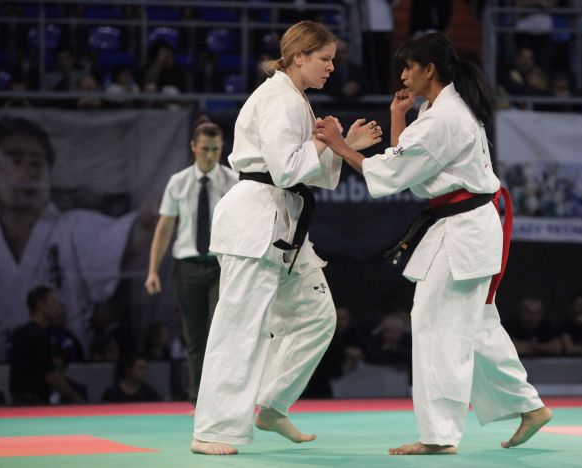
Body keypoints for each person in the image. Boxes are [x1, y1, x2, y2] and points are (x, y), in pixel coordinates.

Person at [315, 32, 552, 455]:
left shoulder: (445, 118)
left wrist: (338, 145)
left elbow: (392, 174)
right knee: (476, 324)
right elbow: (405, 159)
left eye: (409, 68)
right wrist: (398, 115)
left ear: (430, 69)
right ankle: (528, 407)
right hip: (464, 224)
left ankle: (439, 435)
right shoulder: (437, 110)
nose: (403, 76)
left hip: (464, 229)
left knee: (434, 323)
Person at [191, 21, 382, 456]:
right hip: (256, 220)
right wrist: (331, 144)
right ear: (298, 57)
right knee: (239, 328)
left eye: (333, 59)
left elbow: (310, 173)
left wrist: (342, 145)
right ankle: (212, 430)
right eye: (324, 59)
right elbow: (286, 169)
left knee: (317, 317)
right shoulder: (279, 99)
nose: (332, 67)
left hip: (285, 224)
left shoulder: (297, 99)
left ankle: (271, 405)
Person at [0, 116, 150, 360]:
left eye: (37, 163)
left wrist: (148, 221)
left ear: (50, 174)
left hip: (67, 360)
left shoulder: (75, 227)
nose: (28, 172)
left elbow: (128, 240)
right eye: (15, 161)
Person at [145, 117, 238, 404]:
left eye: (216, 149)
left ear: (222, 148)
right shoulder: (179, 182)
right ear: (193, 147)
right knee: (194, 334)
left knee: (220, 331)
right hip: (187, 264)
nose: (210, 155)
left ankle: (222, 399)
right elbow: (164, 228)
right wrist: (152, 271)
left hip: (221, 264)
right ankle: (197, 399)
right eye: (205, 149)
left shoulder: (234, 181)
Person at [7, 285, 86, 405]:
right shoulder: (37, 334)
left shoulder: (23, 333)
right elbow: (51, 377)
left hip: (23, 401)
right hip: (31, 403)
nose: (57, 307)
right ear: (41, 305)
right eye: (53, 302)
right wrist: (77, 399)